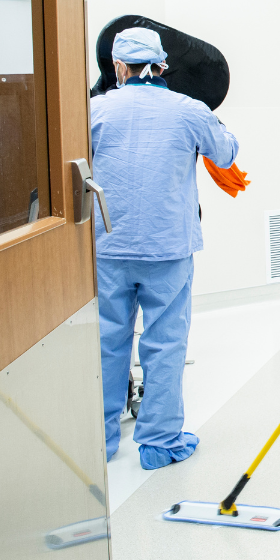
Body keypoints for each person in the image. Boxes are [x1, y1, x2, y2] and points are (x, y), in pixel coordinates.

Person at [90, 28, 239, 470]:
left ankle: (99, 439)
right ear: (161, 65)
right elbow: (227, 155)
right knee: (165, 342)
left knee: (106, 340)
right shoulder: (188, 110)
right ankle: (158, 442)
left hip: (109, 246)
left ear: (118, 67)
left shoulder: (93, 110)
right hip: (167, 247)